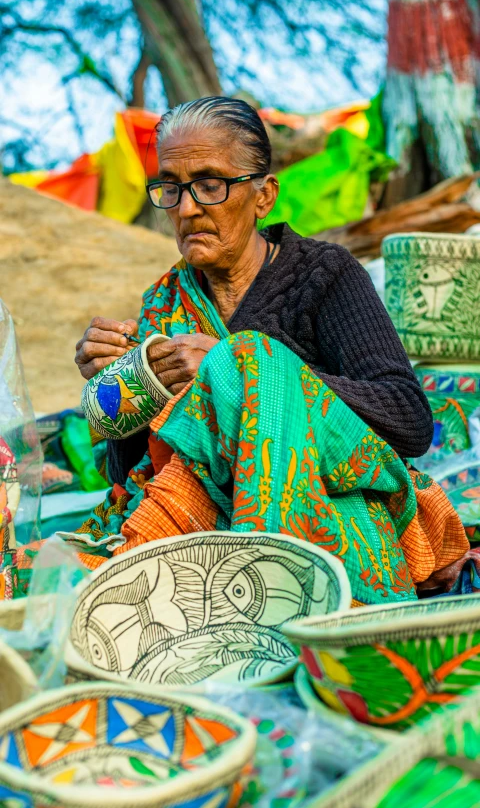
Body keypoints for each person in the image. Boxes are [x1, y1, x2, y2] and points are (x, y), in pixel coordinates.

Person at [74, 96, 468, 606]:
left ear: (264, 196)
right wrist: (119, 385)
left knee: (249, 358)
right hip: (198, 519)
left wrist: (237, 372)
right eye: (170, 187)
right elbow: (136, 469)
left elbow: (408, 418)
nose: (187, 208)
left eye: (210, 185)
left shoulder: (324, 275)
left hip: (326, 513)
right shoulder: (165, 302)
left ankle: (277, 582)